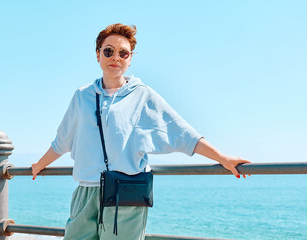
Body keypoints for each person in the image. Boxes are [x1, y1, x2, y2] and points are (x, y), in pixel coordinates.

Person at [31, 23, 251, 240]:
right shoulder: (82, 96)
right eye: (108, 51)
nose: (115, 57)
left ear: (130, 58)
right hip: (85, 192)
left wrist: (223, 158)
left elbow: (182, 133)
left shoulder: (143, 96)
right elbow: (62, 140)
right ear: (98, 55)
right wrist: (39, 165)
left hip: (125, 195)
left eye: (123, 53)